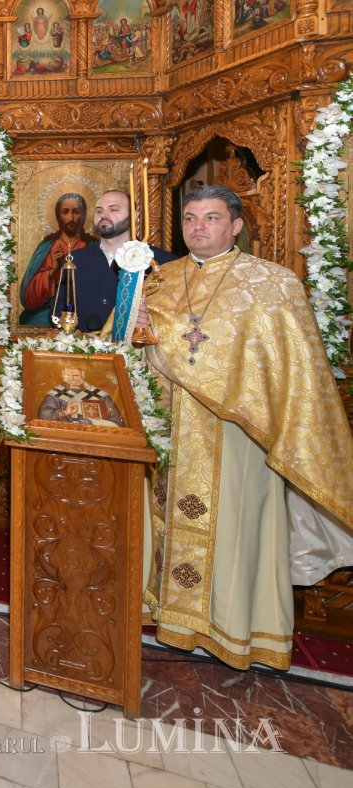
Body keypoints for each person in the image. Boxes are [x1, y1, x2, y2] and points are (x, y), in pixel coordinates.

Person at [141, 185, 353, 670]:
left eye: (211, 218)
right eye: (191, 218)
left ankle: (233, 630)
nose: (199, 227)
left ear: (236, 225)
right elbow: (132, 345)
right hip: (170, 427)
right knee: (167, 524)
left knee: (236, 529)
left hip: (239, 435)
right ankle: (171, 618)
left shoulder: (273, 284)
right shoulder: (157, 280)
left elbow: (294, 377)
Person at [68, 190, 174, 332]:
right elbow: (59, 310)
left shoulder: (163, 262)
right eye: (99, 211)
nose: (104, 215)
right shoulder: (75, 260)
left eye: (113, 209)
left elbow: (172, 316)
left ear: (135, 216)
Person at [20, 192, 97, 326]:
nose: (71, 218)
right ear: (58, 215)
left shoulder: (93, 246)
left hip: (85, 309)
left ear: (84, 215)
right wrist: (52, 270)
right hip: (47, 310)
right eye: (65, 212)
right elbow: (28, 297)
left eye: (76, 212)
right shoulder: (47, 247)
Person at [37, 366, 124, 426]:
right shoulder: (55, 395)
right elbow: (44, 417)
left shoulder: (100, 395)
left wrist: (92, 423)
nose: (71, 379)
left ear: (83, 376)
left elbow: (118, 423)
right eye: (68, 375)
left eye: (76, 376)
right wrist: (65, 413)